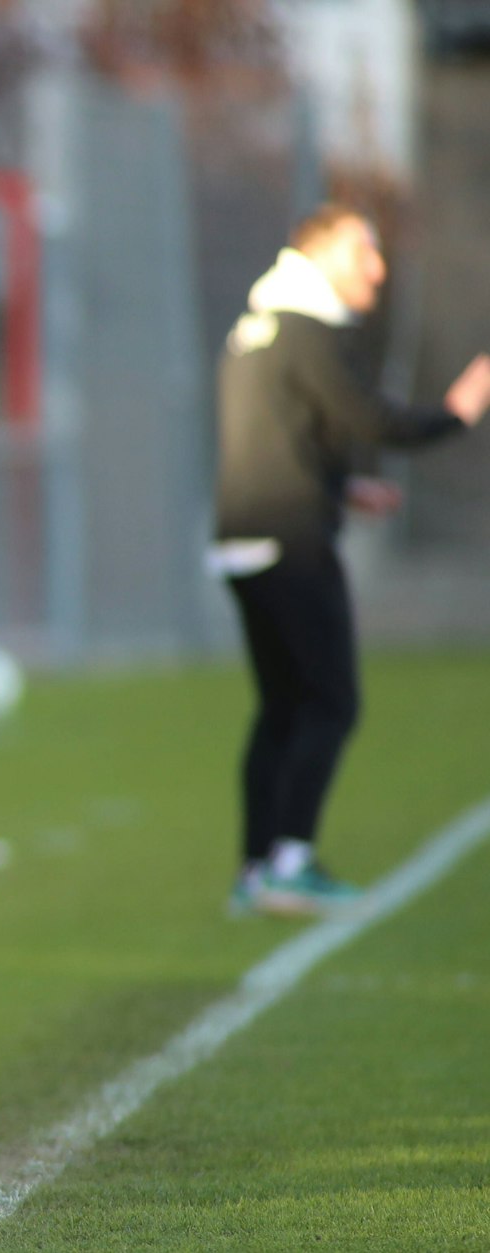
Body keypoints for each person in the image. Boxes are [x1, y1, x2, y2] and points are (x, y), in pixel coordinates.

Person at [213, 203, 490, 917]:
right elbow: (375, 419)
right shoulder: (309, 329)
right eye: (362, 249)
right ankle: (290, 861)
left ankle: (256, 866)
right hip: (292, 539)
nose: (377, 266)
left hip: (244, 537)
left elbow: (279, 433)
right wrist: (459, 409)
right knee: (331, 702)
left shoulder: (261, 326)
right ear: (320, 252)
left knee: (282, 707)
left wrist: (342, 486)